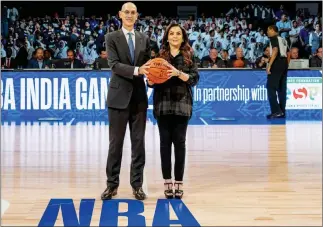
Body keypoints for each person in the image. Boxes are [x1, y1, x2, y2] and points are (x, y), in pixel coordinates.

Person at [101, 2, 151, 201]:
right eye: (126, 12)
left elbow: (148, 65)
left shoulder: (144, 38)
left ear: (137, 16)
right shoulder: (111, 37)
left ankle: (137, 185)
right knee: (116, 144)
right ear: (120, 15)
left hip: (139, 97)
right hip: (118, 97)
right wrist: (138, 71)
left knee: (138, 144)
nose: (130, 15)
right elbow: (114, 65)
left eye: (133, 13)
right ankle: (111, 185)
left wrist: (155, 76)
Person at [147, 23, 199, 199]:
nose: (175, 36)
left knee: (180, 144)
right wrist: (151, 80)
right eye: (172, 33)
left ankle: (179, 182)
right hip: (163, 104)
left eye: (178, 33)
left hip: (182, 104)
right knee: (164, 144)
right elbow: (150, 81)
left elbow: (194, 79)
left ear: (183, 37)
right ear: (167, 37)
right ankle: (167, 182)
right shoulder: (160, 57)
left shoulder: (189, 56)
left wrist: (178, 73)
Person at [266, 25, 289, 119]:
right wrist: (285, 65)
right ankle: (282, 111)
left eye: (268, 30)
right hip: (284, 63)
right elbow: (288, 53)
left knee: (270, 87)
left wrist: (269, 65)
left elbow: (275, 50)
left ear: (272, 30)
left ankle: (276, 111)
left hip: (277, 62)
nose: (267, 32)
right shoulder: (283, 39)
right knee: (281, 89)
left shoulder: (273, 38)